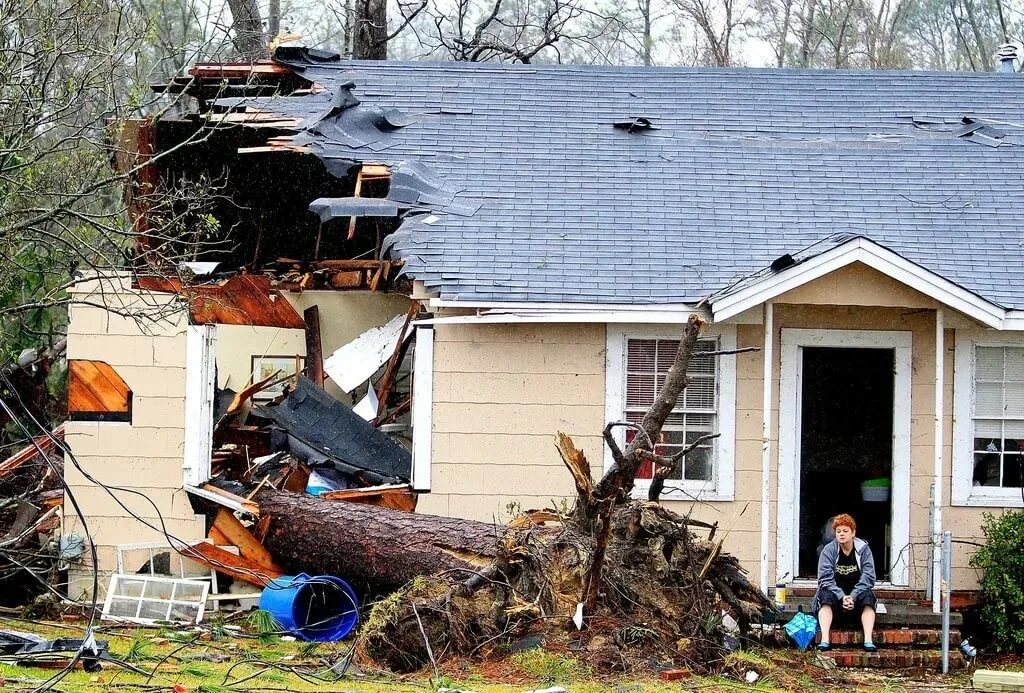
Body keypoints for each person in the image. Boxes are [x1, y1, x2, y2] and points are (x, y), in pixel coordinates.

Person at [811, 513, 878, 652]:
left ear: (853, 533)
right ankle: (824, 640)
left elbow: (869, 576)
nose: (841, 534)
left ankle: (868, 640)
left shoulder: (863, 549)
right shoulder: (828, 550)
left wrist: (852, 596)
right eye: (838, 531)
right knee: (825, 596)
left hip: (856, 592)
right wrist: (842, 596)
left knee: (868, 597)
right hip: (835, 592)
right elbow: (824, 579)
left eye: (845, 531)